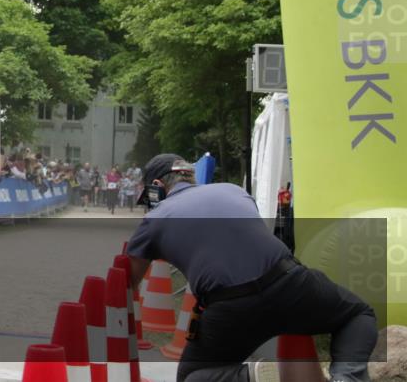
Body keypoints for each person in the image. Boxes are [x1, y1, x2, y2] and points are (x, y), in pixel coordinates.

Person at [126, 154, 377, 382]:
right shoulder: (233, 191)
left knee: (193, 376)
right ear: (189, 176)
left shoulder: (154, 219)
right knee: (357, 315)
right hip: (289, 281)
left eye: (148, 196)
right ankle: (347, 377)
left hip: (229, 306)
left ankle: (250, 376)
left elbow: (128, 282)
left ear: (157, 187)